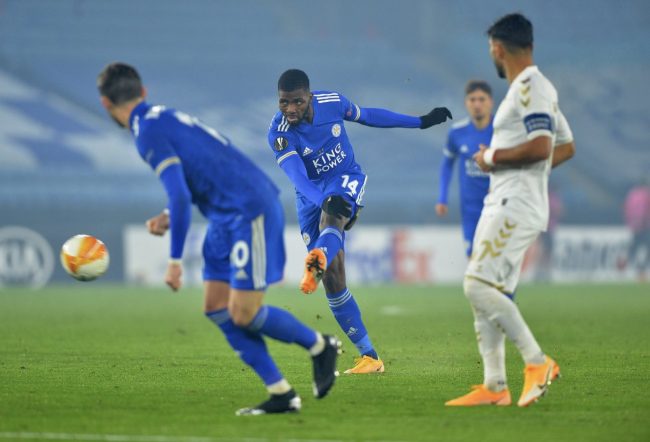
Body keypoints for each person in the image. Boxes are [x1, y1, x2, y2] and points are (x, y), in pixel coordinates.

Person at [97, 62, 341, 416]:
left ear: (106, 103)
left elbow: (180, 195)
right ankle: (281, 393)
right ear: (143, 91)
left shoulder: (146, 132)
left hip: (248, 210)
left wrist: (175, 262)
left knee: (244, 313)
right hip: (224, 215)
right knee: (216, 306)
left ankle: (320, 346)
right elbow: (204, 170)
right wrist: (168, 214)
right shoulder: (163, 117)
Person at [268, 69, 452, 374]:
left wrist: (420, 121)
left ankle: (318, 256)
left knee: (333, 217)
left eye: (297, 101)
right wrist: (321, 200)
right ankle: (371, 358)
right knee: (334, 278)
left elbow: (369, 116)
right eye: (283, 102)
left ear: (309, 96)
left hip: (344, 178)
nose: (290, 109)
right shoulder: (279, 132)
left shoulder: (332, 102)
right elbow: (298, 178)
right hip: (310, 195)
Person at [445, 13, 575, 407]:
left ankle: (537, 362)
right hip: (506, 198)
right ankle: (495, 385)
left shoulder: (530, 89)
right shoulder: (534, 88)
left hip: (514, 204)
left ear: (498, 49)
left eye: (491, 50)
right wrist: (522, 170)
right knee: (487, 290)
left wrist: (493, 158)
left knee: (476, 285)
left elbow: (541, 146)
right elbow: (564, 146)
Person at [436, 80, 493, 257]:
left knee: (496, 259)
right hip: (470, 209)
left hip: (498, 205)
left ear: (491, 102)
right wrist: (442, 198)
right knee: (473, 258)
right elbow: (447, 164)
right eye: (472, 99)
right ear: (466, 103)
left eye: (481, 99)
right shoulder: (457, 132)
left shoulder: (502, 130)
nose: (477, 104)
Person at [623, 177, 650, 281]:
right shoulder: (646, 194)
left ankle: (626, 264)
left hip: (635, 226)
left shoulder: (632, 194)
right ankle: (641, 269)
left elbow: (626, 208)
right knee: (647, 247)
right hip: (645, 226)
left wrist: (630, 222)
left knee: (635, 246)